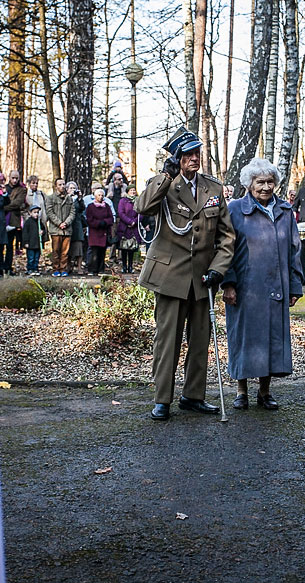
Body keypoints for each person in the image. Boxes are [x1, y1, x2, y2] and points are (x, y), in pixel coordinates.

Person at [135, 128, 235, 421]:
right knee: (168, 341)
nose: (194, 158)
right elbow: (143, 207)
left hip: (202, 278)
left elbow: (227, 236)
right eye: (188, 154)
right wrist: (165, 177)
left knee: (200, 340)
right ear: (177, 158)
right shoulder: (165, 184)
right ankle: (162, 399)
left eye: (197, 153)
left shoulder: (212, 188)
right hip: (170, 276)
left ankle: (193, 396)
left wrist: (218, 269)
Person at [222, 158, 302, 411]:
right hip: (245, 287)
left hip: (275, 286)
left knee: (271, 338)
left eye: (270, 182)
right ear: (249, 184)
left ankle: (265, 392)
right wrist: (228, 283)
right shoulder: (235, 209)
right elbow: (224, 249)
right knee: (244, 338)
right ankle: (241, 391)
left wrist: (295, 285)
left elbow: (295, 250)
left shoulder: (285, 211)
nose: (266, 187)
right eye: (260, 182)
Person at [45, 178, 75, 277]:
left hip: (67, 229)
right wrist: (59, 223)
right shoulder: (51, 198)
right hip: (56, 230)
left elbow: (72, 212)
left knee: (65, 252)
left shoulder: (69, 199)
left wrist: (66, 223)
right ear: (56, 186)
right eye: (60, 185)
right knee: (56, 251)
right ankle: (55, 269)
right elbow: (50, 212)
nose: (62, 186)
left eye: (63, 184)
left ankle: (63, 269)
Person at [85, 187, 114, 275]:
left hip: (104, 232)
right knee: (94, 252)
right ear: (95, 196)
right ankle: (92, 269)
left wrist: (105, 222)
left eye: (102, 195)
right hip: (94, 232)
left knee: (102, 252)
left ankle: (101, 269)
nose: (101, 197)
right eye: (99, 195)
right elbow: (89, 219)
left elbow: (111, 218)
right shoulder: (90, 206)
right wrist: (98, 223)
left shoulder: (107, 206)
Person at [3, 171, 27, 274]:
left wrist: (3, 207)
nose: (15, 180)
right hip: (2, 219)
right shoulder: (4, 188)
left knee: (10, 245)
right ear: (9, 177)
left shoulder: (22, 190)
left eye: (16, 178)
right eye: (13, 178)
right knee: (0, 245)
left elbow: (17, 203)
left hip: (13, 220)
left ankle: (8, 267)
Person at [116, 185, 140, 274]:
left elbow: (141, 213)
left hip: (134, 228)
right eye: (131, 190)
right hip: (124, 227)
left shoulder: (138, 201)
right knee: (124, 248)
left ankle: (130, 266)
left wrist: (135, 222)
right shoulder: (123, 201)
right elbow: (121, 213)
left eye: (134, 190)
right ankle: (124, 266)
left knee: (132, 249)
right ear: (127, 192)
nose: (133, 192)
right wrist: (129, 222)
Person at [22, 205, 47, 275]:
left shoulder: (39, 222)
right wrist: (26, 242)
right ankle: (30, 269)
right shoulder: (28, 222)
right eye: (34, 212)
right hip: (30, 244)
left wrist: (42, 232)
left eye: (37, 212)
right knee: (31, 258)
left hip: (37, 244)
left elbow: (44, 229)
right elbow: (25, 233)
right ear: (30, 213)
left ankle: (35, 268)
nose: (36, 214)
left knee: (36, 258)